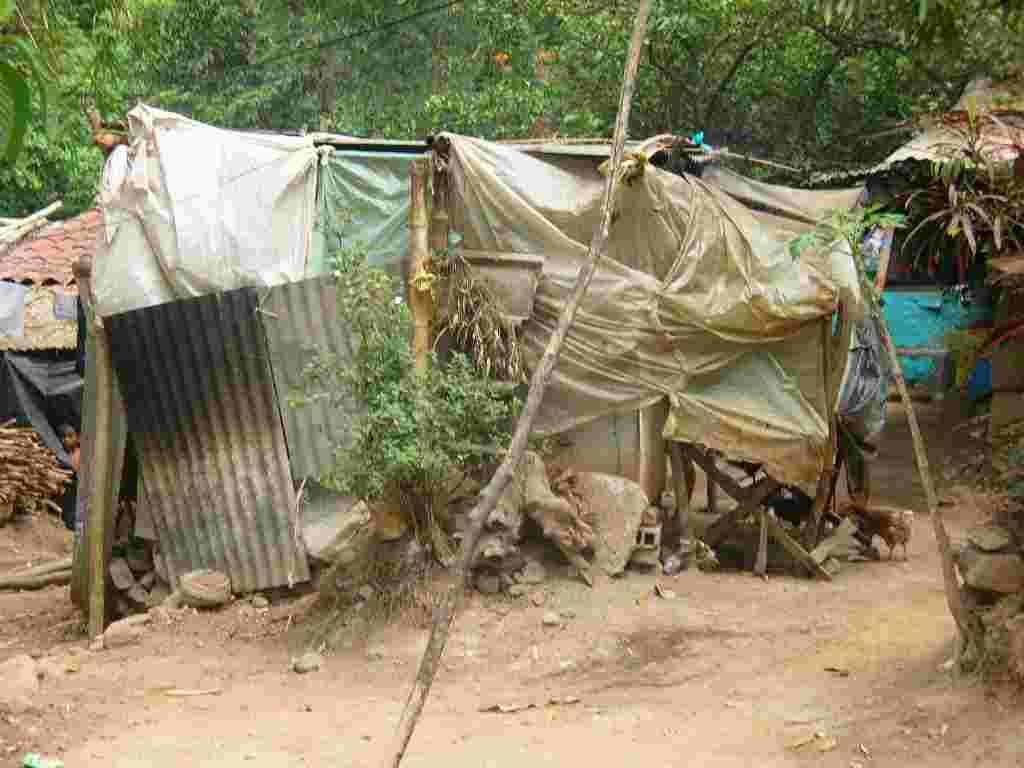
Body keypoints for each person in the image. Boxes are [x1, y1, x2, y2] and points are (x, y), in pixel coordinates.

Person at [57, 425, 80, 530]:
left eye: (70, 436)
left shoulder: (81, 454)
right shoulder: (60, 455)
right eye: (63, 436)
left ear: (78, 438)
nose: (66, 440)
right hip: (66, 496)